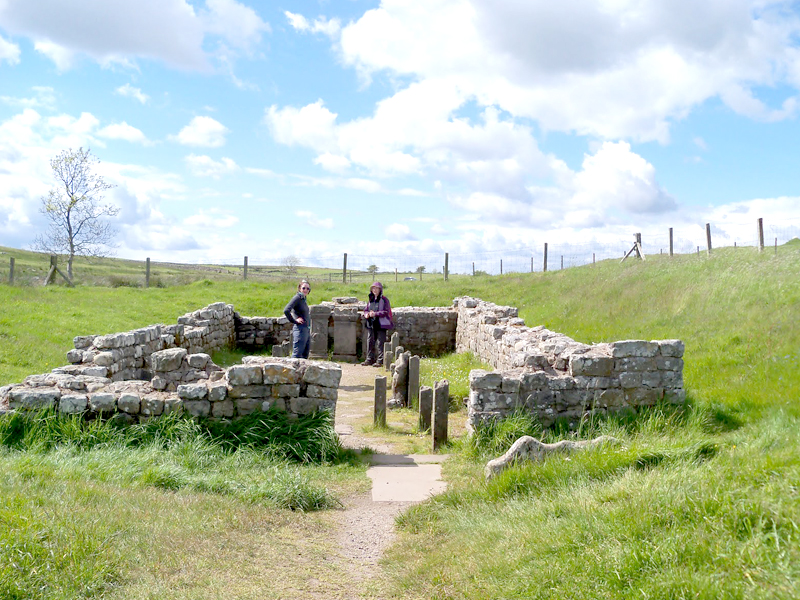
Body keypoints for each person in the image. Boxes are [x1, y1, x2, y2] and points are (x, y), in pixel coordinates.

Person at [361, 281, 393, 366]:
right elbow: (366, 309)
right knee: (370, 341)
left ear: (380, 289)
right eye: (373, 288)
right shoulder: (370, 299)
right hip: (371, 324)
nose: (374, 290)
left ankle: (380, 361)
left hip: (381, 324)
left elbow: (386, 311)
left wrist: (375, 313)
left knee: (380, 342)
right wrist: (366, 314)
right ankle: (369, 359)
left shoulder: (384, 299)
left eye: (377, 288)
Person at [284, 280, 311, 359]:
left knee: (304, 355)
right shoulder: (297, 298)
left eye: (308, 288)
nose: (305, 290)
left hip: (306, 329)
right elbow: (286, 310)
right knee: (297, 356)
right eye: (303, 288)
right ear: (299, 288)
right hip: (300, 330)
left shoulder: (303, 299)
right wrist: (294, 321)